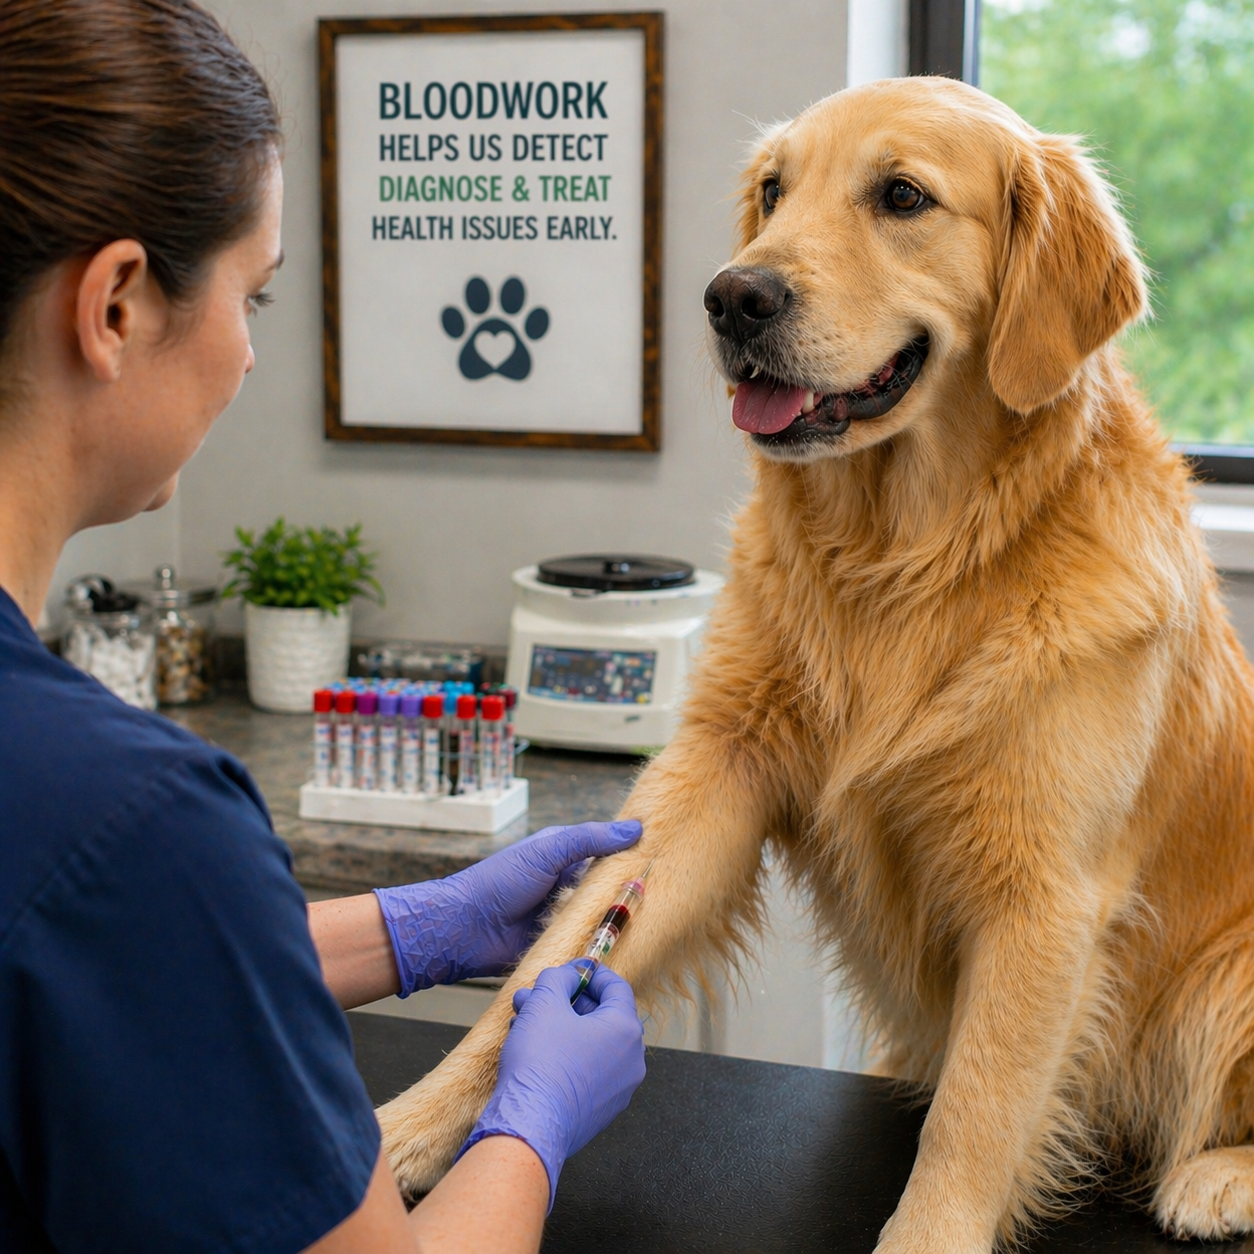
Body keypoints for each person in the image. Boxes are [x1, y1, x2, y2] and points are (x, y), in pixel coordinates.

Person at [0, 2, 647, 1251]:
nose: (246, 357)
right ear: (118, 304)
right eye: (257, 294)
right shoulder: (130, 816)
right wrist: (534, 1125)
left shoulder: (100, 840)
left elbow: (93, 958)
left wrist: (412, 930)